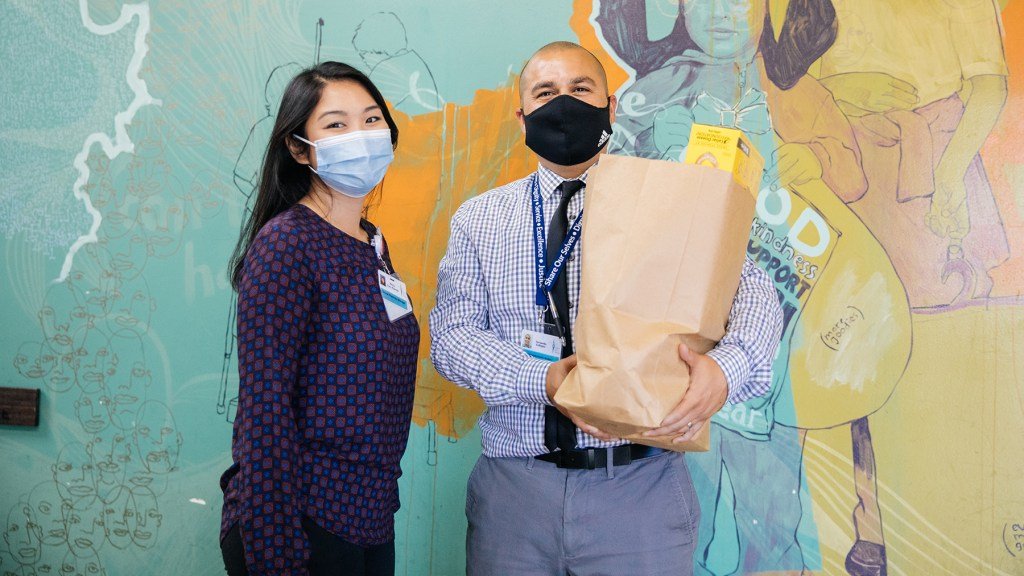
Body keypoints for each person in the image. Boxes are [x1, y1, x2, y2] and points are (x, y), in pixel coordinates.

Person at [430, 41, 783, 575]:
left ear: (610, 106)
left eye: (581, 89)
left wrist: (724, 371)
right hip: (514, 493)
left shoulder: (672, 198)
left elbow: (755, 294)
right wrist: (543, 379)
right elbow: (452, 340)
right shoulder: (479, 219)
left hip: (639, 490)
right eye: (545, 93)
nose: (564, 103)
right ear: (523, 116)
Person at [220, 61, 420, 576]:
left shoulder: (372, 243)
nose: (361, 134)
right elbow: (264, 414)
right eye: (336, 124)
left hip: (371, 521)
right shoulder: (288, 244)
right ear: (299, 147)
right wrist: (277, 554)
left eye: (372, 119)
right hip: (303, 522)